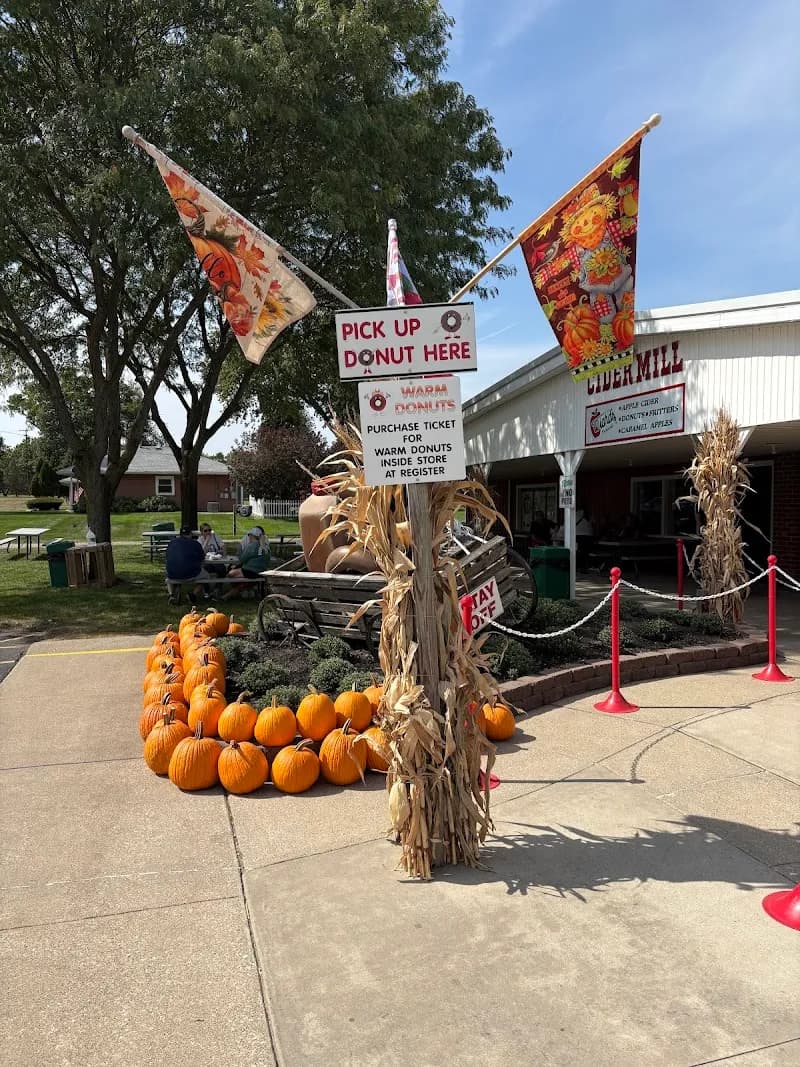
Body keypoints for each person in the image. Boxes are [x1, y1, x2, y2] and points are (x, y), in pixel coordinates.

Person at [165, 526, 210, 605]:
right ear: (190, 534)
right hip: (190, 574)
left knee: (168, 576)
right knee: (207, 576)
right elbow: (202, 558)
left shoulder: (172, 543)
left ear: (180, 534)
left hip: (172, 573)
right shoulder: (195, 544)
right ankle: (193, 595)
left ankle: (171, 594)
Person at [223, 528, 272, 600]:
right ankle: (244, 590)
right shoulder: (266, 546)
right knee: (242, 580)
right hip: (262, 571)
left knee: (230, 573)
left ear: (252, 536)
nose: (248, 537)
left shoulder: (252, 546)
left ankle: (236, 592)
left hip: (250, 571)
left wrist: (239, 553)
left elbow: (242, 559)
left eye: (249, 535)